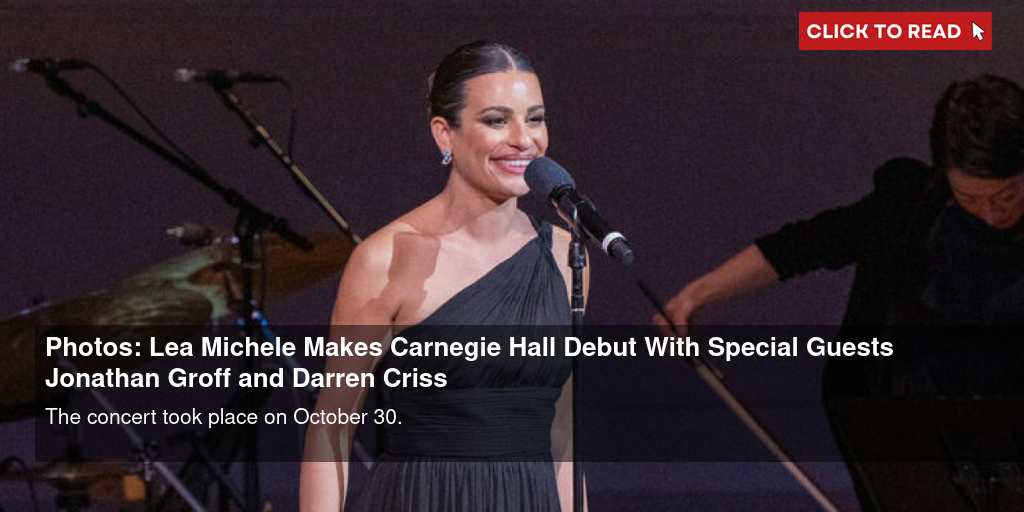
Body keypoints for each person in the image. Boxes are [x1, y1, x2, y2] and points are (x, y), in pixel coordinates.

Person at [657, 74, 1024, 510]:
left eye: (1006, 196)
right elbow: (805, 245)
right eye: (970, 197)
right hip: (909, 427)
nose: (988, 212)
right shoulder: (912, 206)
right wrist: (692, 297)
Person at [299, 41, 580, 512]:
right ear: (444, 135)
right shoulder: (384, 259)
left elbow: (563, 432)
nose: (523, 138)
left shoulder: (565, 253)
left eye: (534, 118)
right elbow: (332, 428)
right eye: (496, 120)